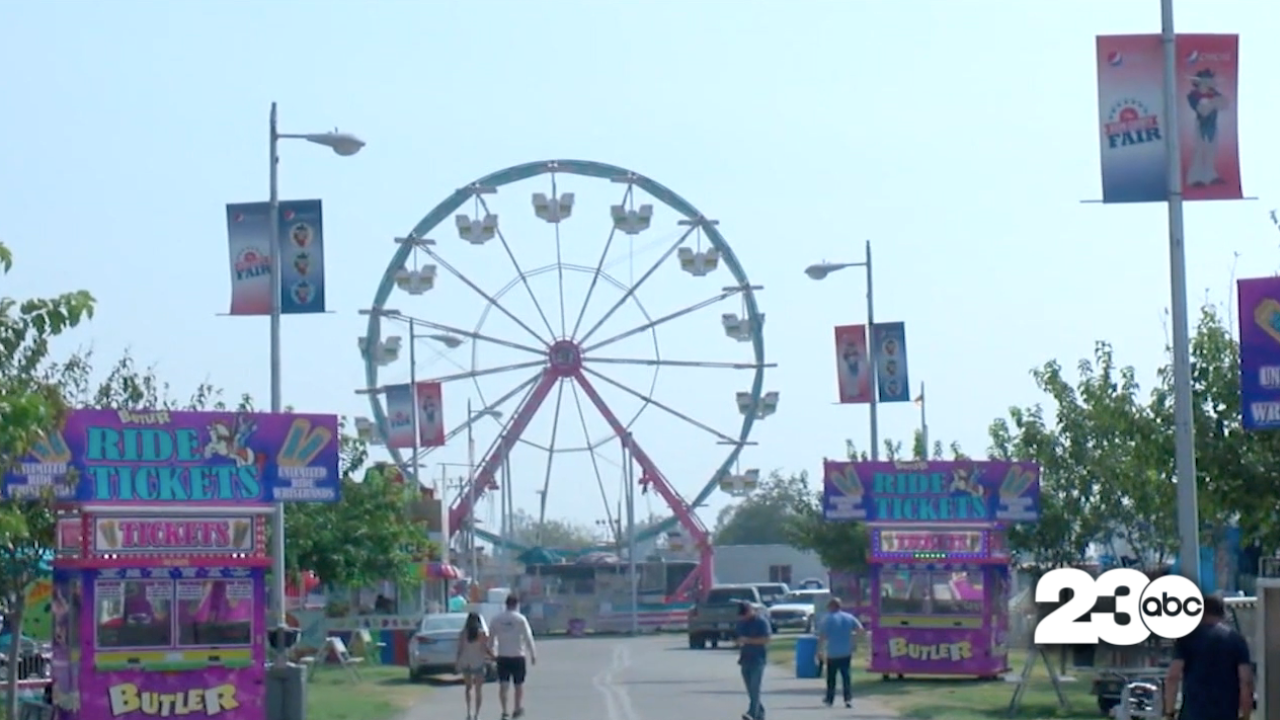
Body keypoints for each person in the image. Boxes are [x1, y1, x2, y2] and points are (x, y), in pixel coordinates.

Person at [1163, 593, 1253, 720]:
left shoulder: (1187, 638)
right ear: (1222, 613)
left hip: (1193, 714)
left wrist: (1169, 712)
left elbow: (1173, 676)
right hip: (1226, 714)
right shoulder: (1236, 640)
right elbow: (1246, 680)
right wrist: (1246, 714)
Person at [490, 594, 536, 720]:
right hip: (518, 655)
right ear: (516, 604)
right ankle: (517, 707)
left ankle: (504, 711)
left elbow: (491, 638)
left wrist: (491, 652)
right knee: (518, 685)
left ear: (506, 604)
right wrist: (533, 654)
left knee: (503, 685)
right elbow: (528, 637)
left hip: (502, 655)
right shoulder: (520, 619)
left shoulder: (496, 619)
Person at [817, 598, 862, 708]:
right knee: (846, 676)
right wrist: (854, 642)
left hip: (833, 652)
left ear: (831, 607)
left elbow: (822, 636)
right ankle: (848, 699)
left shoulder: (827, 619)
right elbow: (860, 630)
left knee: (831, 677)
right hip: (846, 651)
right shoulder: (849, 617)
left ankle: (829, 699)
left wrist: (820, 650)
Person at [736, 601, 771, 720]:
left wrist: (748, 640)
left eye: (745, 614)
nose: (743, 617)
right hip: (745, 659)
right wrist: (738, 641)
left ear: (751, 610)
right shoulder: (741, 623)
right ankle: (759, 713)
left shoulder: (761, 622)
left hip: (758, 659)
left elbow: (766, 639)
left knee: (755, 688)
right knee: (750, 690)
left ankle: (752, 713)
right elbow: (739, 637)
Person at [456, 612, 493, 720]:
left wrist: (457, 661)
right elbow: (485, 648)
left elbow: (460, 649)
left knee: (468, 688)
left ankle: (469, 711)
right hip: (478, 662)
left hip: (466, 661)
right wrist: (493, 656)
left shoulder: (463, 633)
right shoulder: (481, 634)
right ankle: (477, 714)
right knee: (478, 689)